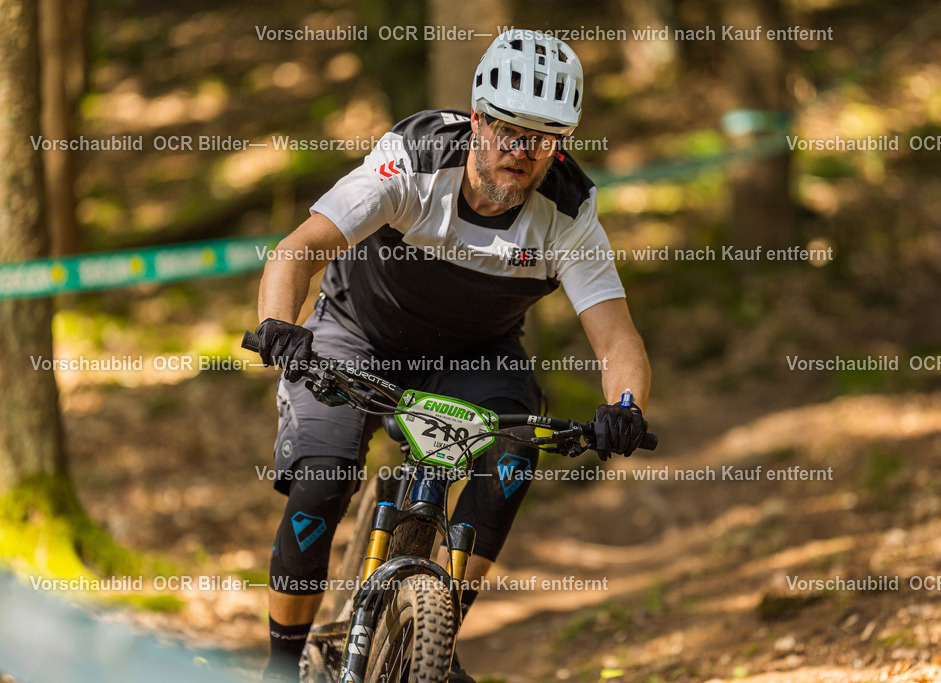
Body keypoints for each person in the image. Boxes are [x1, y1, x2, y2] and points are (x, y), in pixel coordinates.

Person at [254, 29, 651, 682]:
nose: (521, 152)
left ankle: (433, 640)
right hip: (357, 333)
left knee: (513, 459)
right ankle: (278, 666)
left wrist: (626, 405)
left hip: (474, 353)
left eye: (542, 138)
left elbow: (617, 339)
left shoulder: (569, 213)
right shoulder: (415, 160)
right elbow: (298, 249)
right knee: (323, 477)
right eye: (506, 131)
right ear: (476, 122)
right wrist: (278, 324)